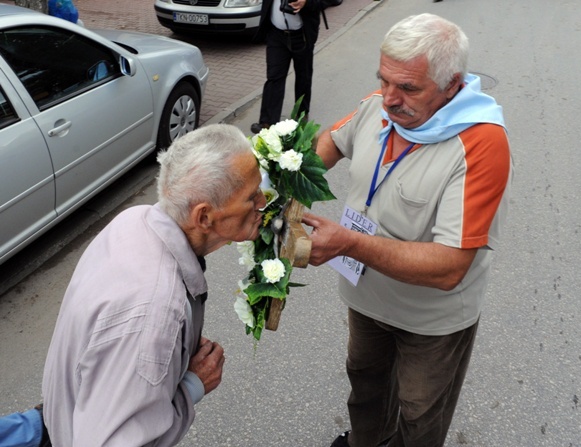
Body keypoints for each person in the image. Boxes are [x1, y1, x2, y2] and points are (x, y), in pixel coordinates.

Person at [301, 13, 513, 447]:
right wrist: (283, 178)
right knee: (365, 384)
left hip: (431, 322)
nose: (389, 100)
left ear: (452, 85)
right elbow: (331, 143)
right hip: (366, 298)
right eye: (384, 81)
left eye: (408, 88)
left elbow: (450, 267)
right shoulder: (377, 106)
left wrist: (349, 243)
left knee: (419, 416)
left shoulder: (482, 143)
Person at [42, 124, 266, 446]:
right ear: (203, 217)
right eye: (251, 196)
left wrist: (175, 351)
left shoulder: (137, 219)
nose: (262, 202)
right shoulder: (155, 314)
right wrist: (191, 386)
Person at [250, 0, 321, 134]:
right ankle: (268, 122)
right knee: (274, 76)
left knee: (303, 76)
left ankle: (301, 115)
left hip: (302, 35)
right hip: (276, 34)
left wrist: (306, 2)